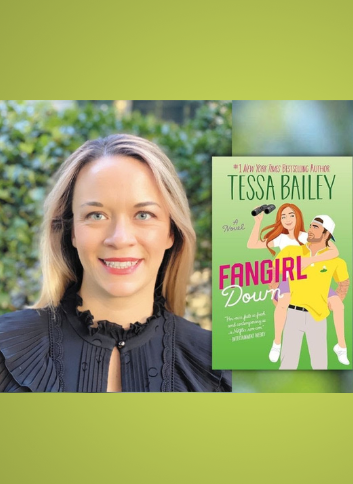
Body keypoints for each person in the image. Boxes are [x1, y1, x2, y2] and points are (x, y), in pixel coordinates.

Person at [0, 134, 231, 392]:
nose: (119, 239)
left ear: (171, 232)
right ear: (72, 231)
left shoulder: (222, 370)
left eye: (144, 214)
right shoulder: (5, 350)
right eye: (96, 215)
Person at [247, 204, 339, 363]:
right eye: (283, 216)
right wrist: (257, 222)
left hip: (312, 278)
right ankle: (277, 343)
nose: (287, 219)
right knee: (283, 302)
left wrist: (311, 260)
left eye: (291, 215)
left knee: (337, 303)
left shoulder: (306, 236)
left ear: (298, 218)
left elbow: (334, 251)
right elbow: (252, 244)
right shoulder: (281, 239)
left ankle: (341, 346)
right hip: (290, 277)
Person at [275, 215, 350, 369]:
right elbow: (274, 272)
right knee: (287, 365)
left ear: (326, 234)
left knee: (320, 366)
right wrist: (275, 294)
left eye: (315, 227)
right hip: (293, 313)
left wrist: (335, 301)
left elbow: (344, 283)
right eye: (310, 226)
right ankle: (275, 344)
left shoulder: (336, 261)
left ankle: (341, 348)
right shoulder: (292, 251)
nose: (310, 230)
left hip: (318, 317)